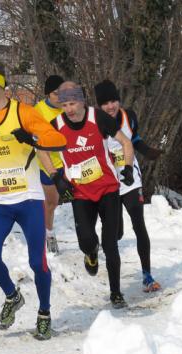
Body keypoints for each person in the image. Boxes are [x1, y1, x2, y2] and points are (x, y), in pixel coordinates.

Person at [0, 58, 68, 340]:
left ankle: (44, 313)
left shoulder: (23, 112)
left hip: (29, 198)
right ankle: (13, 296)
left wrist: (32, 139)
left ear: (1, 86)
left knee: (38, 263)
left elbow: (57, 139)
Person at [52, 81, 135, 308]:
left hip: (108, 188)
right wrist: (56, 177)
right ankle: (90, 253)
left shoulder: (97, 118)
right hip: (80, 192)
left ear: (82, 101)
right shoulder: (56, 124)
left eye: (72, 103)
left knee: (111, 243)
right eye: (65, 104)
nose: (69, 109)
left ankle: (116, 292)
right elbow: (40, 148)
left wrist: (127, 167)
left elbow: (125, 142)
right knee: (87, 241)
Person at [94, 79, 162, 292]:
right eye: (105, 103)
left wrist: (146, 150)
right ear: (99, 105)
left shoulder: (129, 116)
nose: (111, 106)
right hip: (108, 180)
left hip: (130, 176)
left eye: (114, 100)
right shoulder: (95, 122)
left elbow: (135, 138)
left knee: (138, 222)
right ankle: (94, 247)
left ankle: (147, 275)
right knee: (117, 233)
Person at [34, 74, 66, 253]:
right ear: (47, 94)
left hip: (70, 162)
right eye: (56, 94)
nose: (60, 97)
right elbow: (39, 145)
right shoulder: (38, 111)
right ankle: (49, 234)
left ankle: (88, 234)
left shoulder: (69, 107)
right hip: (48, 163)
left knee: (82, 201)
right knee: (52, 202)